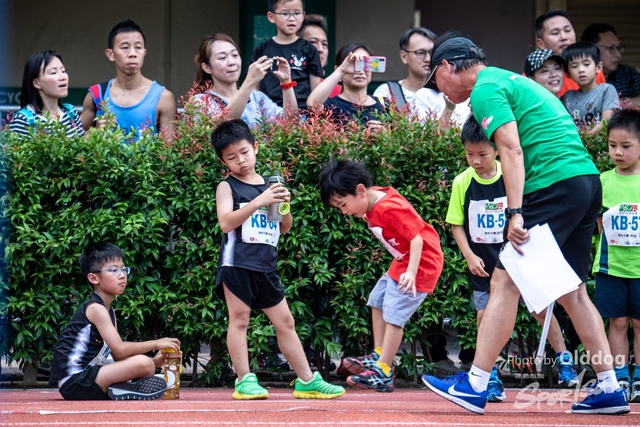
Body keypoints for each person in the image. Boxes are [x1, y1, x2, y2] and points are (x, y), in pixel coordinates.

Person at [421, 35, 629, 415]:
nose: (439, 89)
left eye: (436, 79)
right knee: (573, 292)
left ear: (447, 66)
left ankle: (476, 384)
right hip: (584, 182)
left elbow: (511, 148)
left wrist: (515, 211)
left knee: (503, 282)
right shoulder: (510, 80)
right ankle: (610, 388)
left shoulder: (485, 89)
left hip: (552, 185)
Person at [446, 116, 579, 402]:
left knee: (540, 309)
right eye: (469, 154)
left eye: (482, 154)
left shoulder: (512, 175)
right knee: (485, 316)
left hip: (518, 259)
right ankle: (490, 375)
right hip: (483, 265)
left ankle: (565, 360)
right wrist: (469, 255)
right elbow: (456, 223)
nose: (476, 161)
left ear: (496, 149)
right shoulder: (462, 182)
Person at [210, 119, 345, 400]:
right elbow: (225, 222)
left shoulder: (270, 185)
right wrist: (259, 201)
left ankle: (307, 380)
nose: (241, 160)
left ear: (255, 148)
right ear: (223, 161)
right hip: (237, 264)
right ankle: (244, 379)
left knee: (285, 321)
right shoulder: (227, 186)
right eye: (232, 157)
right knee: (240, 320)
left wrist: (283, 204)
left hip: (266, 266)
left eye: (244, 152)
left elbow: (284, 227)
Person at [318, 160, 444, 392]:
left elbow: (417, 239)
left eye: (343, 205)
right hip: (403, 260)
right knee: (377, 300)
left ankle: (384, 371)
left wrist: (411, 272)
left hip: (421, 263)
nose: (344, 212)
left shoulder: (389, 207)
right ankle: (379, 355)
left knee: (394, 315)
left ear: (360, 191)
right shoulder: (370, 201)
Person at [48, 242, 181, 400]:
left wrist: (154, 361)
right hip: (75, 381)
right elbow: (120, 350)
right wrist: (156, 343)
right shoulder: (96, 309)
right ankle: (121, 387)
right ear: (93, 278)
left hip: (89, 377)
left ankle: (119, 389)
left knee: (148, 366)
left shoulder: (108, 310)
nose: (122, 275)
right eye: (113, 270)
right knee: (144, 364)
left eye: (124, 269)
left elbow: (117, 357)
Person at [591, 109, 640, 403]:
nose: (617, 152)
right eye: (612, 146)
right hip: (611, 268)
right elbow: (599, 223)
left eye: (626, 146)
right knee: (618, 323)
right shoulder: (603, 181)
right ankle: (620, 376)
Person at [80, 20, 177, 141]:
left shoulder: (163, 97)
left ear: (144, 52)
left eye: (138, 47)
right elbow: (75, 143)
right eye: (125, 47)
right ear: (110, 54)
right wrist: (95, 132)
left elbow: (169, 149)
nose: (132, 53)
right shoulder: (96, 95)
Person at [192, 33, 297, 128]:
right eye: (222, 58)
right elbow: (221, 128)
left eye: (235, 55)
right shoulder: (200, 102)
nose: (232, 62)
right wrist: (250, 81)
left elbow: (290, 122)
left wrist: (286, 82)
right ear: (207, 67)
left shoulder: (257, 98)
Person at [250, 0, 323, 109]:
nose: (292, 18)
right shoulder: (261, 49)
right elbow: (254, 87)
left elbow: (316, 91)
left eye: (297, 13)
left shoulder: (310, 49)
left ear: (303, 15)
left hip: (301, 113)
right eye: (285, 13)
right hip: (268, 113)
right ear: (271, 17)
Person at [307, 43, 385, 130]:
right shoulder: (331, 106)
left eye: (366, 64)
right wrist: (342, 70)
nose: (361, 71)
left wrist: (384, 134)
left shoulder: (386, 105)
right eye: (354, 64)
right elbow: (312, 103)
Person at [8, 50, 83, 138]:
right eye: (53, 73)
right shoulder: (23, 119)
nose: (62, 77)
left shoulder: (71, 112)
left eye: (63, 71)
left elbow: (82, 145)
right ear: (37, 83)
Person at [534, 10, 605, 97]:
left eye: (567, 30)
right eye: (555, 33)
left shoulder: (591, 70)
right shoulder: (532, 74)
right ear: (541, 43)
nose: (564, 37)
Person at [561, 41, 620, 136]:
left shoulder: (607, 90)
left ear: (598, 67)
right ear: (568, 73)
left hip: (599, 143)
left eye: (586, 64)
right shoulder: (567, 97)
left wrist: (586, 137)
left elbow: (606, 121)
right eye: (574, 66)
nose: (581, 70)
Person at [373, 27, 436, 108]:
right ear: (404, 56)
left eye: (432, 53)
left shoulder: (445, 94)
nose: (428, 59)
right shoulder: (387, 92)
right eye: (420, 53)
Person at [581, 23, 640, 107]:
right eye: (612, 48)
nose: (618, 55)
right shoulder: (580, 75)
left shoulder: (627, 73)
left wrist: (611, 104)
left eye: (619, 48)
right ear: (591, 49)